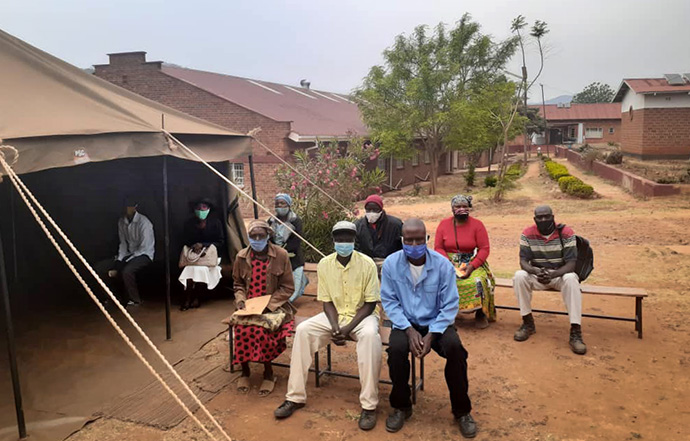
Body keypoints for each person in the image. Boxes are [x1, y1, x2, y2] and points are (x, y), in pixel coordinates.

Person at [275, 221, 382, 431]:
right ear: (333, 241)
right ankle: (295, 397)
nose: (344, 242)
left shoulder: (367, 263)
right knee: (304, 331)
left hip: (362, 317)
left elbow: (370, 304)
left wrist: (347, 328)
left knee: (370, 337)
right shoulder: (325, 264)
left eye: (348, 239)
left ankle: (369, 405)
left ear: (354, 241)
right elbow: (327, 302)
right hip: (335, 315)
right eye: (339, 239)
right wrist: (334, 327)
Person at [381, 218, 476, 438]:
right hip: (406, 323)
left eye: (419, 240)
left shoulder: (442, 266)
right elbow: (389, 301)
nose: (414, 246)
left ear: (427, 239)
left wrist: (432, 334)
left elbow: (450, 304)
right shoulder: (391, 264)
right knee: (395, 351)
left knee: (455, 350)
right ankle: (401, 406)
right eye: (409, 240)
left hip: (436, 323)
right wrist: (408, 329)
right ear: (402, 240)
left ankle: (462, 411)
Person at [232, 220, 295, 396]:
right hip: (249, 306)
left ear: (268, 236)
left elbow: (288, 287)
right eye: (253, 236)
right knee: (242, 329)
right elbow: (238, 284)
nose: (257, 239)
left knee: (262, 330)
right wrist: (241, 300)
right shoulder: (241, 257)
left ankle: (268, 373)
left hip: (275, 307)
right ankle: (245, 371)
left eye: (261, 236)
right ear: (248, 237)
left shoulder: (281, 255)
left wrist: (269, 304)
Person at [514, 205, 586, 355]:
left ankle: (575, 331)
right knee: (519, 276)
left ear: (553, 217)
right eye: (539, 217)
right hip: (538, 274)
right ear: (535, 219)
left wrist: (552, 275)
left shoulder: (566, 233)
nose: (543, 219)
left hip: (559, 275)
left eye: (547, 216)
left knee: (572, 279)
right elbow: (523, 261)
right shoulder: (527, 234)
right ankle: (527, 323)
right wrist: (536, 271)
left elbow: (572, 263)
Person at [434, 195, 495, 329]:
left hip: (471, 262)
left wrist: (472, 266)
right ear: (452, 208)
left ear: (469, 208)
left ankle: (480, 313)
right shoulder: (443, 224)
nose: (461, 209)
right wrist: (447, 263)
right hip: (448, 262)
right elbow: (438, 247)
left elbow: (484, 249)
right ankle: (446, 313)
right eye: (458, 207)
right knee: (439, 280)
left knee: (478, 280)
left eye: (464, 206)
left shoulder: (477, 225)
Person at [96, 197, 154, 307]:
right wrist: (119, 260)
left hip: (144, 254)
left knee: (127, 271)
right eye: (126, 206)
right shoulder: (122, 221)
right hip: (128, 254)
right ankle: (112, 296)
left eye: (130, 206)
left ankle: (135, 299)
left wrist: (125, 261)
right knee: (100, 267)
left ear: (135, 207)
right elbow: (123, 244)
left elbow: (144, 247)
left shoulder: (144, 223)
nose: (127, 209)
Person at [179, 198, 225, 310]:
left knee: (202, 269)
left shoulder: (215, 223)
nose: (201, 210)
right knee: (189, 270)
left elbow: (221, 241)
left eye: (204, 207)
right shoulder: (189, 223)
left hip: (209, 256)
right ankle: (188, 297)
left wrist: (204, 245)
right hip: (193, 256)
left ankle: (197, 297)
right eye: (198, 208)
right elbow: (184, 240)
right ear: (194, 210)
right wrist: (194, 245)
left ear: (209, 209)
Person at [268, 193, 309, 302]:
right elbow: (268, 239)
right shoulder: (271, 221)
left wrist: (283, 251)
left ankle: (288, 301)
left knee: (294, 282)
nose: (280, 206)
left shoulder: (295, 221)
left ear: (289, 205)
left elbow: (296, 241)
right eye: (277, 204)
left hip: (293, 257)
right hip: (276, 256)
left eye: (282, 203)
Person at [354, 194, 403, 263]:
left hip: (390, 263)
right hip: (366, 264)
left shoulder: (395, 225)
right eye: (368, 209)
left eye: (375, 209)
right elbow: (356, 248)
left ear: (381, 209)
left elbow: (401, 246)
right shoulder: (358, 226)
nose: (371, 212)